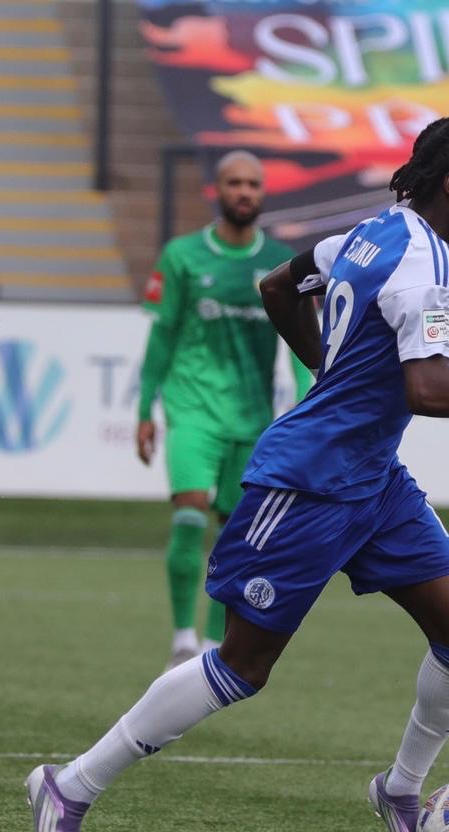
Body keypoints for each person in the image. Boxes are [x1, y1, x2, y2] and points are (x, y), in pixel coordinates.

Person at [26, 116, 449, 832]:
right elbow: (428, 387)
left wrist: (328, 371)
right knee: (243, 665)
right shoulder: (428, 264)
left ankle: (400, 789)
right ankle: (69, 785)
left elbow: (278, 287)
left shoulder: (372, 233)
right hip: (307, 483)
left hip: (373, 478)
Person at [137, 150, 314, 672]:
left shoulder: (282, 262)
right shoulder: (182, 255)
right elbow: (163, 336)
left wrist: (307, 399)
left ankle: (213, 642)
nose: (244, 192)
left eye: (253, 185)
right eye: (234, 183)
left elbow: (303, 343)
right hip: (191, 409)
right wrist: (145, 406)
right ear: (217, 190)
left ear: (262, 194)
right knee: (190, 511)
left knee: (235, 532)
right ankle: (182, 638)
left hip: (252, 418)